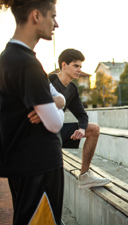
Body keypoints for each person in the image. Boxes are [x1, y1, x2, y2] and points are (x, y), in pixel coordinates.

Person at [0, 0, 66, 224]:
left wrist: (56, 101)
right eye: (52, 16)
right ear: (37, 16)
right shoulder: (26, 64)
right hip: (39, 165)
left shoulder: (8, 58)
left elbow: (58, 97)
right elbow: (56, 124)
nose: (55, 24)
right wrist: (58, 105)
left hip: (23, 164)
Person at [47, 48, 110, 189]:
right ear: (64, 65)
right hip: (40, 132)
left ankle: (85, 176)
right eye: (76, 65)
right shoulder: (48, 80)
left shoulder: (72, 89)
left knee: (93, 129)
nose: (79, 69)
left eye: (80, 66)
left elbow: (82, 115)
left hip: (56, 131)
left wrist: (81, 129)